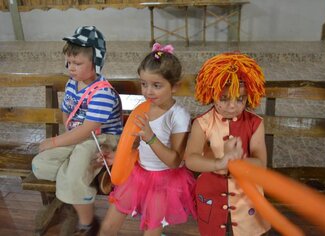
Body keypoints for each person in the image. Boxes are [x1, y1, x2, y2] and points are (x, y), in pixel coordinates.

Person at [31, 26, 123, 236]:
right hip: (78, 135)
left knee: (74, 174)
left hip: (101, 138)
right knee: (40, 165)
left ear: (96, 63)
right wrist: (67, 136)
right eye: (69, 62)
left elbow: (89, 129)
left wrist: (55, 142)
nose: (71, 68)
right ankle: (79, 180)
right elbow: (67, 111)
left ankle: (88, 222)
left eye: (77, 63)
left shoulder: (103, 93)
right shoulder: (72, 84)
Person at [98, 43, 197, 236]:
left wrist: (150, 137)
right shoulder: (143, 109)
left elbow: (175, 161)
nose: (148, 91)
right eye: (144, 84)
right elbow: (135, 143)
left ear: (174, 87)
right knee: (108, 227)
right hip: (138, 175)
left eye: (156, 85)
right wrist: (116, 156)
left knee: (151, 232)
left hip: (165, 181)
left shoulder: (178, 116)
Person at [185, 52, 271, 236]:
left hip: (246, 197)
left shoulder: (255, 123)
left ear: (249, 95)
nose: (232, 106)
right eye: (224, 98)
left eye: (240, 99)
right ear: (211, 93)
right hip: (211, 195)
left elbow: (261, 164)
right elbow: (190, 160)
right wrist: (219, 163)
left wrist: (235, 161)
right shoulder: (202, 123)